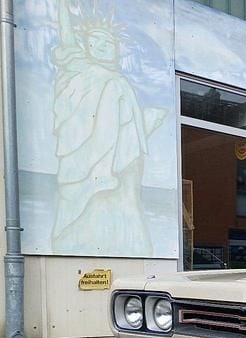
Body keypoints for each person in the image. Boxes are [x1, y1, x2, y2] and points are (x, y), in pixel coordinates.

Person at [51, 0, 165, 255]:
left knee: (125, 205)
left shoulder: (120, 82)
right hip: (85, 160)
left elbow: (128, 130)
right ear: (86, 47)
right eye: (94, 43)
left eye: (107, 43)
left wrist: (146, 122)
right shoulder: (84, 69)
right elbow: (67, 36)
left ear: (116, 48)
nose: (100, 48)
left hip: (123, 167)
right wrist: (61, 7)